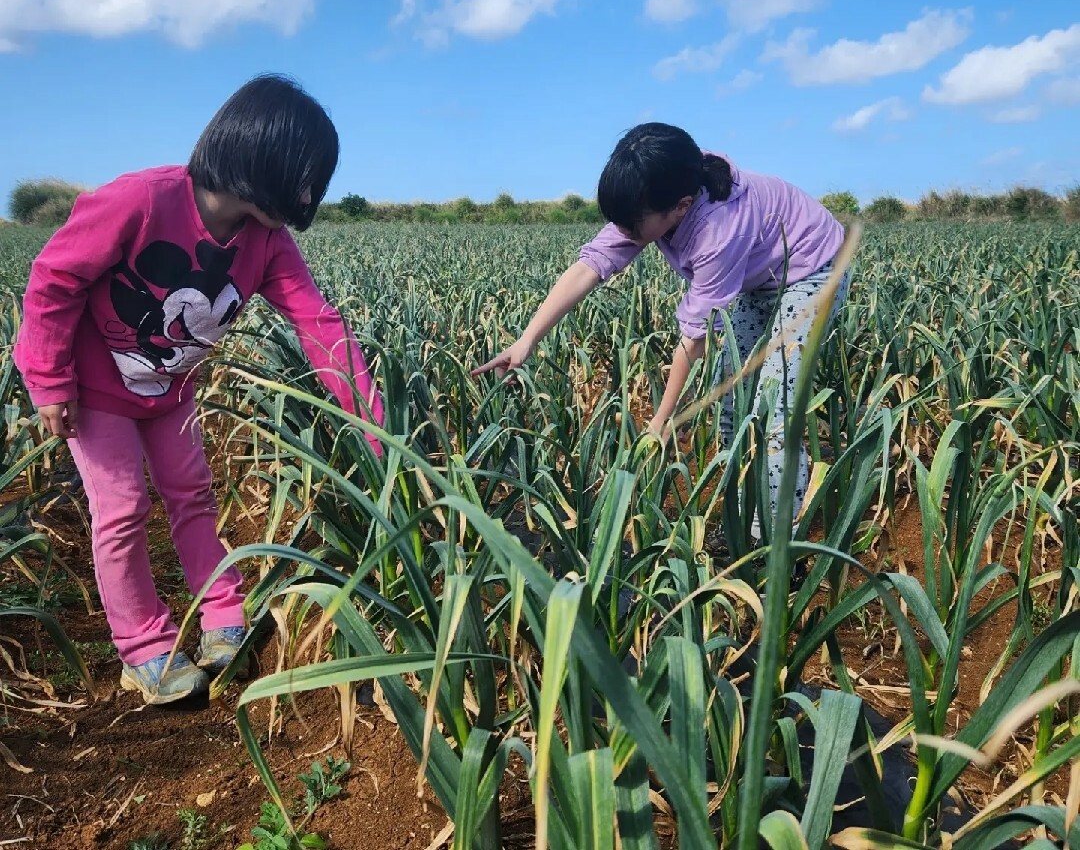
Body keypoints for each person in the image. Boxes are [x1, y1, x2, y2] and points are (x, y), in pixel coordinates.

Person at [13, 75, 384, 704]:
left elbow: (320, 326)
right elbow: (55, 278)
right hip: (96, 389)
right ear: (260, 159)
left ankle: (221, 615)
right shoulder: (140, 201)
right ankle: (144, 647)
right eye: (302, 180)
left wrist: (377, 433)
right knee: (124, 508)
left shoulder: (267, 241)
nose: (305, 197)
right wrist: (48, 380)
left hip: (172, 390)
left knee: (193, 495)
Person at [473, 122, 848, 541]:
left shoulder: (718, 230)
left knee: (776, 403)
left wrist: (662, 420)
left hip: (813, 272)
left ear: (682, 207)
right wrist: (528, 339)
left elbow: (694, 341)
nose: (624, 233)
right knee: (733, 399)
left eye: (632, 225)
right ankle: (746, 514)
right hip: (759, 277)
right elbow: (589, 268)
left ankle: (775, 541)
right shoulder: (660, 189)